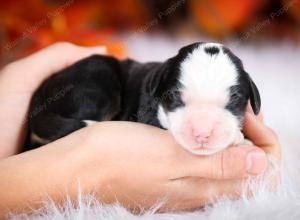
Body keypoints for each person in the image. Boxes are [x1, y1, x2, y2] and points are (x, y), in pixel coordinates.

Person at [0, 42, 281, 217]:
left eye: (227, 107)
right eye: (177, 101)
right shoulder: (140, 92)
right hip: (69, 101)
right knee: (97, 71)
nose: (203, 130)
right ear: (157, 89)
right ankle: (53, 130)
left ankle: (45, 142)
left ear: (250, 99)